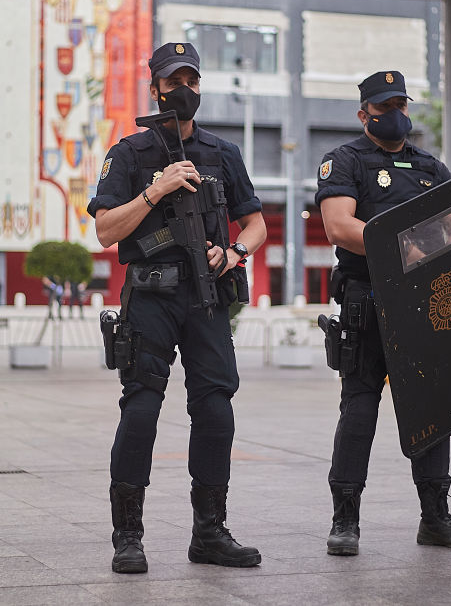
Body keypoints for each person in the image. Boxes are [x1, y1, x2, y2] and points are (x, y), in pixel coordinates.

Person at [87, 42, 267, 574]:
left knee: (215, 407)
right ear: (155, 88)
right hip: (150, 295)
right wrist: (153, 193)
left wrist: (232, 252)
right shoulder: (129, 154)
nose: (182, 90)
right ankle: (128, 536)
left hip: (206, 297)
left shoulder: (223, 153)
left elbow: (253, 223)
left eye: (191, 80)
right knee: (142, 406)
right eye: (172, 82)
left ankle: (209, 532)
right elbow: (103, 231)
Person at [315, 70, 451, 557]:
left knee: (435, 408)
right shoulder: (345, 161)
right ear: (364, 113)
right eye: (384, 108)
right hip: (367, 299)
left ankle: (435, 518)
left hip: (426, 303)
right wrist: (411, 244)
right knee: (360, 410)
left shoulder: (430, 166)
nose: (395, 115)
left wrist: (419, 245)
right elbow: (339, 227)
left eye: (400, 105)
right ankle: (345, 520)